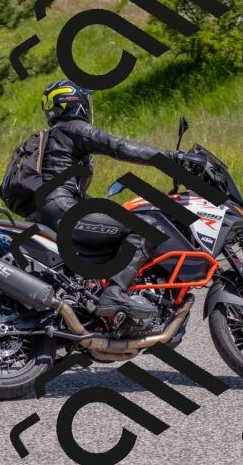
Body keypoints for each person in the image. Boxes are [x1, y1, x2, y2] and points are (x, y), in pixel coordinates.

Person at [26, 79, 182, 320]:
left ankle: (95, 298)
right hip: (62, 210)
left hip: (47, 213)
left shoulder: (50, 139)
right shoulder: (73, 129)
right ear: (76, 103)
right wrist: (170, 157)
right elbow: (117, 146)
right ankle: (115, 294)